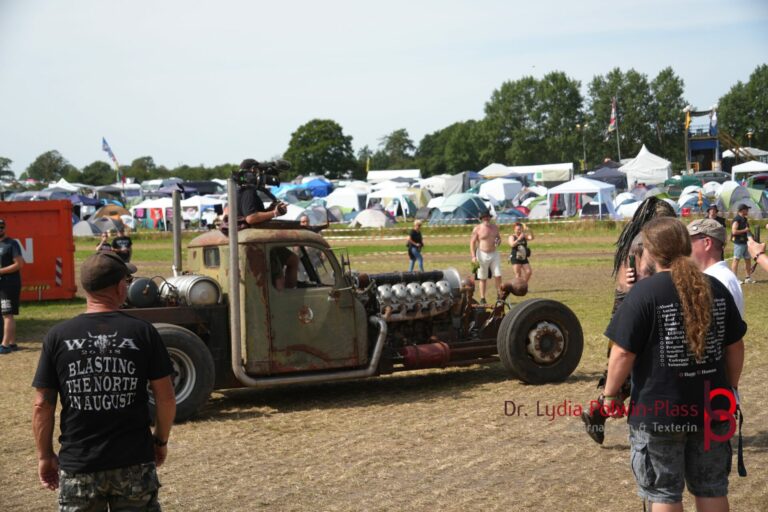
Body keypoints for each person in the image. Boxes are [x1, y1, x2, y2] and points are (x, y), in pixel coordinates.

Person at [602, 217, 745, 512]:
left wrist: (609, 395)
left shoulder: (644, 293)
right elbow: (735, 346)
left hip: (659, 412)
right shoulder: (715, 287)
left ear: (651, 252)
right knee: (711, 488)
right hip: (713, 407)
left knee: (664, 493)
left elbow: (622, 353)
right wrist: (730, 388)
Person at [32, 251, 176, 510]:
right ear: (120, 287)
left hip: (80, 466)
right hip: (134, 463)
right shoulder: (143, 332)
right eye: (127, 282)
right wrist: (160, 441)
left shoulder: (57, 336)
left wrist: (44, 456)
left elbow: (42, 405)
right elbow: (165, 398)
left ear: (86, 288)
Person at [582, 196, 676, 444]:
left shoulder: (635, 239)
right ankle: (601, 411)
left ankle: (598, 411)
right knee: (636, 372)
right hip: (637, 313)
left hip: (627, 313)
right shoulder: (645, 243)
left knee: (628, 372)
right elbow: (646, 284)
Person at [687, 218, 744, 318]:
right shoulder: (720, 277)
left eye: (688, 242)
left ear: (707, 243)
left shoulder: (717, 281)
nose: (684, 247)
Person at [0, 218, 24, 354]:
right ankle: (12, 343)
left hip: (9, 284)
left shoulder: (12, 244)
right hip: (2, 284)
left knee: (7, 314)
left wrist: (1, 271)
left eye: (1, 227)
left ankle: (4, 345)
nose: (0, 229)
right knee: (8, 314)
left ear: (5, 228)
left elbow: (19, 264)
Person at [469, 211, 502, 305]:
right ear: (481, 219)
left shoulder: (495, 227)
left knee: (498, 275)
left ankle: (499, 296)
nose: (486, 219)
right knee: (483, 277)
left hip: (494, 253)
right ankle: (483, 298)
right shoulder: (477, 228)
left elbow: (499, 238)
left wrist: (498, 241)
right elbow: (472, 243)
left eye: (487, 217)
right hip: (482, 254)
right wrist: (473, 257)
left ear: (490, 217)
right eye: (484, 217)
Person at [731, 203, 754, 284]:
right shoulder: (737, 219)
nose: (748, 211)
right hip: (739, 243)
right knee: (736, 260)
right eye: (747, 209)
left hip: (746, 242)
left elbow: (747, 231)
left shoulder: (745, 219)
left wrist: (752, 238)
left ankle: (748, 278)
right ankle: (734, 279)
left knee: (748, 259)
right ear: (742, 210)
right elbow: (734, 231)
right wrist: (745, 230)